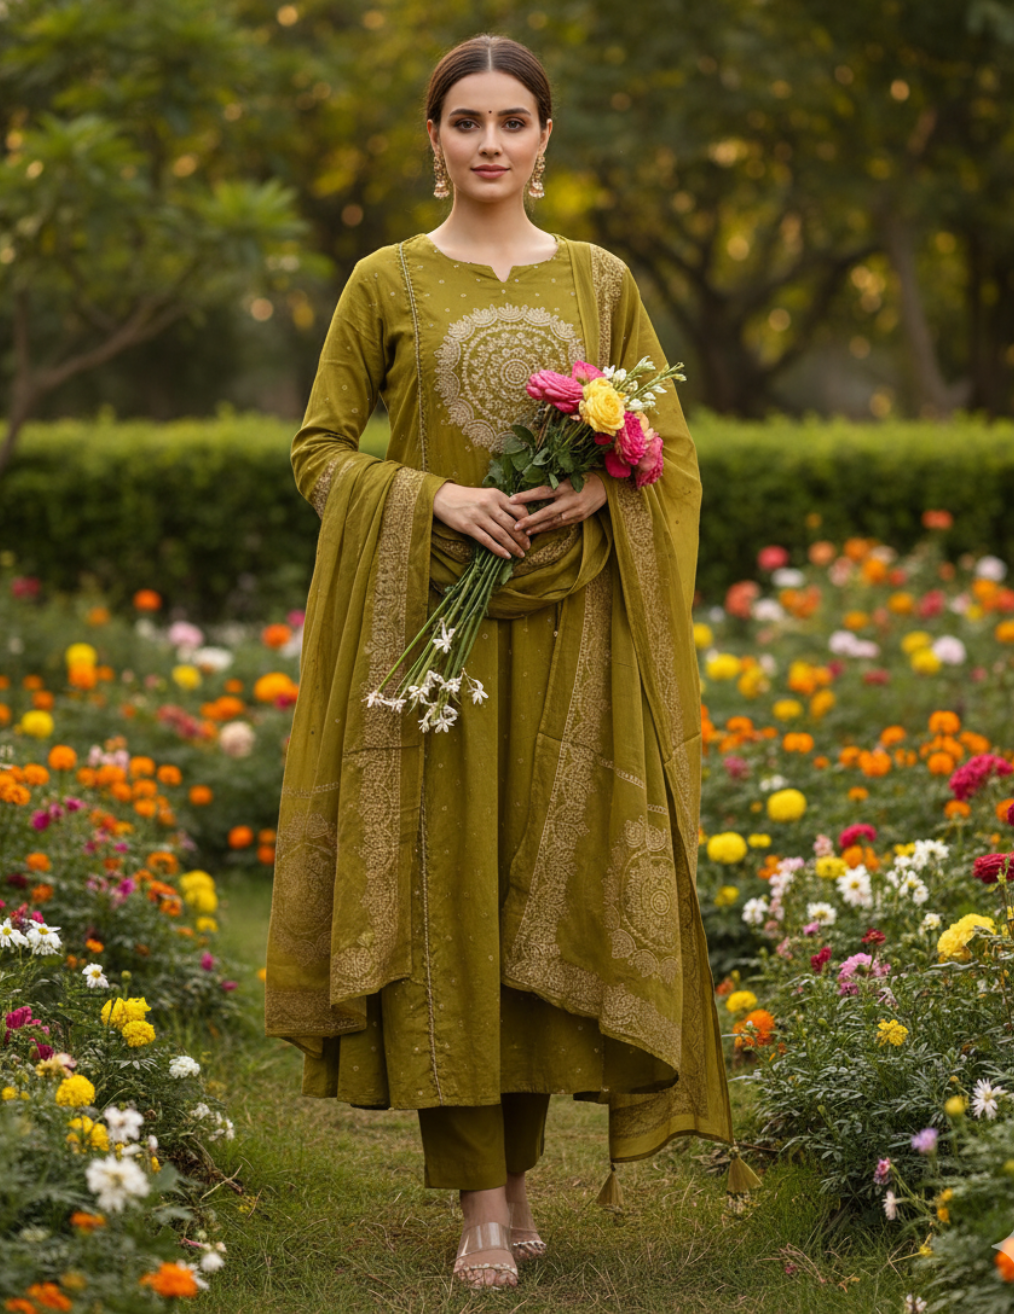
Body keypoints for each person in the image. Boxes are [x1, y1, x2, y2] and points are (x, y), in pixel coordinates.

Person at [264, 32, 736, 1291]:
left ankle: (521, 1182)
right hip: (431, 640)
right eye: (464, 120)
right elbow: (319, 453)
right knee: (447, 896)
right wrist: (431, 500)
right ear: (433, 139)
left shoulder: (601, 280)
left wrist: (599, 489)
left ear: (544, 139)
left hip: (577, 631)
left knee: (539, 893)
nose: (487, 142)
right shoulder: (385, 281)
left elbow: (665, 453)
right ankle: (478, 1202)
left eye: (510, 120)